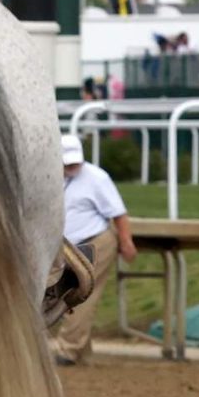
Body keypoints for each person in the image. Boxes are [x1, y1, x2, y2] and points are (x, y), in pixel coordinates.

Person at [50, 134, 135, 367]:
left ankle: (68, 349)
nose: (72, 167)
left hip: (96, 242)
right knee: (63, 295)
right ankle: (81, 351)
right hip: (67, 247)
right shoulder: (50, 178)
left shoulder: (97, 178)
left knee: (82, 294)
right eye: (67, 163)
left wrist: (126, 242)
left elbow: (118, 213)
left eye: (75, 162)